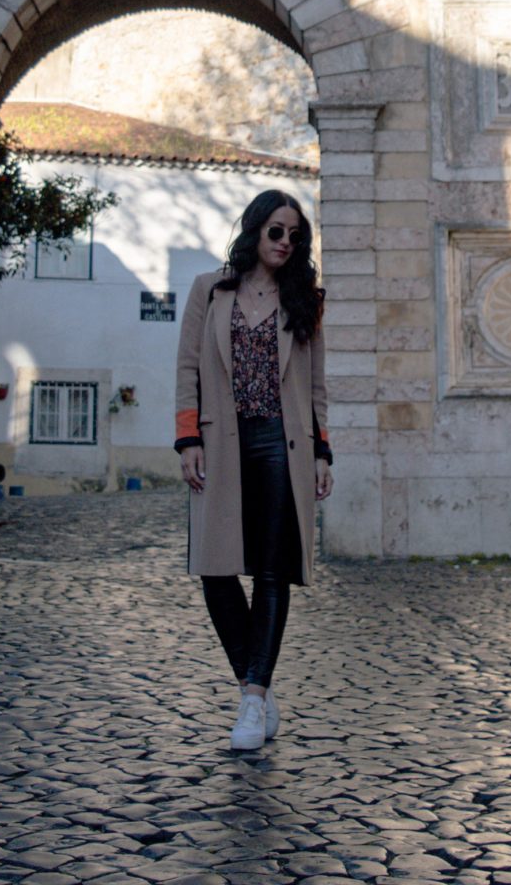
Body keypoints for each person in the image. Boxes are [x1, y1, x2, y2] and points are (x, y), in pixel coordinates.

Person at [174, 189, 333, 750]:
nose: (285, 242)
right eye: (276, 231)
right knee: (215, 571)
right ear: (253, 230)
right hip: (220, 443)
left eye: (295, 235)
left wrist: (321, 451)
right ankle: (255, 684)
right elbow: (188, 367)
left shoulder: (305, 300)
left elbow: (315, 388)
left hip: (281, 444)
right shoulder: (209, 290)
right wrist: (187, 438)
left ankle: (253, 696)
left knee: (271, 572)